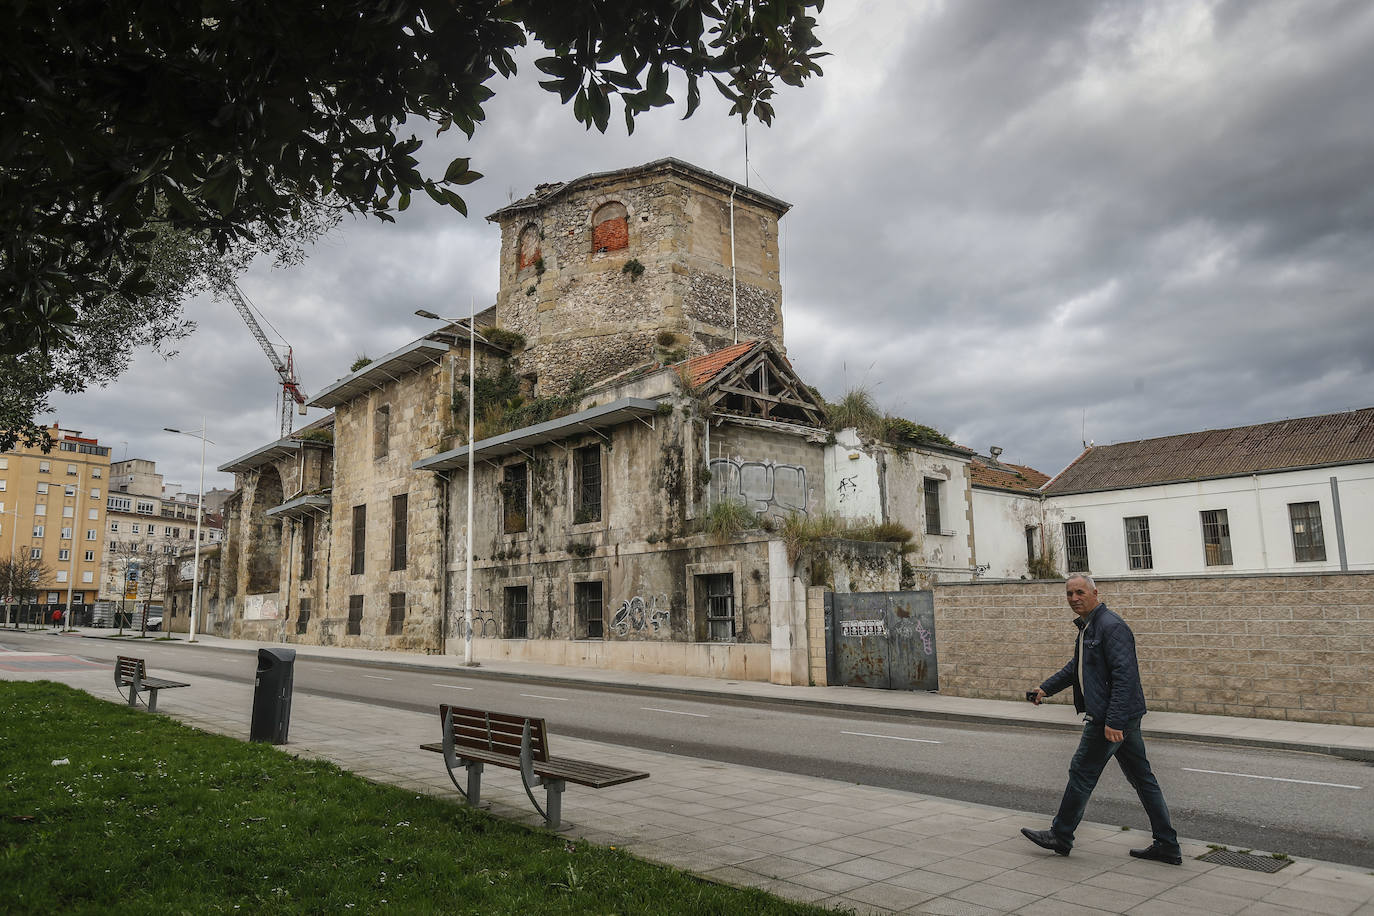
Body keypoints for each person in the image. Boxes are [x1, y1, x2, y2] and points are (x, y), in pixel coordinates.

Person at [1020, 574, 1182, 865]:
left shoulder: (1111, 627)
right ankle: (1167, 845)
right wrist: (1046, 688)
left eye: (1080, 592)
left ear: (1095, 592)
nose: (1074, 598)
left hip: (1109, 717)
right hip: (1119, 716)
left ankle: (1061, 834)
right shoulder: (1089, 627)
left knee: (1081, 772)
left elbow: (1125, 677)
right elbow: (1076, 668)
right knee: (1143, 779)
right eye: (1069, 594)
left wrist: (1115, 721)